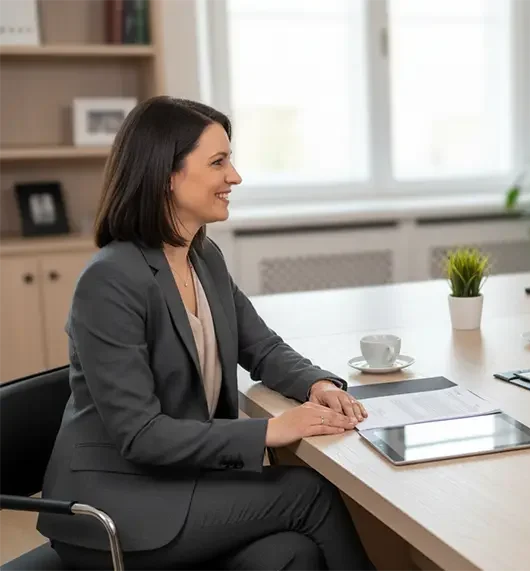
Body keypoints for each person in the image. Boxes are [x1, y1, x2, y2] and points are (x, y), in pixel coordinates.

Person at [37, 96, 376, 570]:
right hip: (116, 508)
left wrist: (317, 384)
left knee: (290, 555)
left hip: (180, 485)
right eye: (218, 162)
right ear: (166, 174)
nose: (234, 177)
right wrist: (271, 430)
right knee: (307, 494)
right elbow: (141, 435)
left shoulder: (203, 257)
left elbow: (262, 346)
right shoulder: (110, 280)